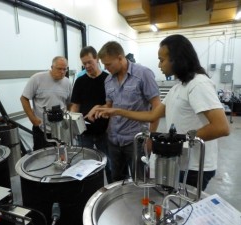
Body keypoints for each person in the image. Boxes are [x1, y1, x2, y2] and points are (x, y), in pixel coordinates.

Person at [95, 34, 230, 190]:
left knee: (181, 208)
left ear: (176, 59)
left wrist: (177, 140)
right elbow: (152, 115)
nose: (159, 65)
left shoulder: (198, 83)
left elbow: (221, 127)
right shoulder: (178, 87)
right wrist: (117, 111)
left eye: (162, 60)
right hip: (180, 161)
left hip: (194, 166)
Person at [87, 41, 161, 182]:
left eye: (108, 64)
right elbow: (110, 106)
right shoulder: (108, 80)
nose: (106, 68)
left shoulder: (143, 74)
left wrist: (150, 137)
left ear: (120, 58)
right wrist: (98, 108)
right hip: (114, 139)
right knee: (117, 180)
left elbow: (157, 107)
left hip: (136, 140)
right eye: (104, 65)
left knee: (140, 181)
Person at [70, 46, 111, 183]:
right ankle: (89, 191)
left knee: (109, 164)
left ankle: (111, 188)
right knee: (85, 166)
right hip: (84, 132)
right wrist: (72, 125)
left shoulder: (108, 79)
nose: (87, 66)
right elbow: (75, 106)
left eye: (89, 62)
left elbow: (112, 105)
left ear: (97, 59)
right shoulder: (80, 81)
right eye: (84, 63)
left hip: (104, 131)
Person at [20, 56, 72, 150]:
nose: (62, 72)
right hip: (41, 130)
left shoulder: (67, 83)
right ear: (52, 67)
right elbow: (24, 99)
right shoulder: (37, 78)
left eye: (65, 69)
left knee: (62, 156)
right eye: (59, 69)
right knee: (41, 158)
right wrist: (33, 119)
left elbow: (70, 103)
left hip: (61, 130)